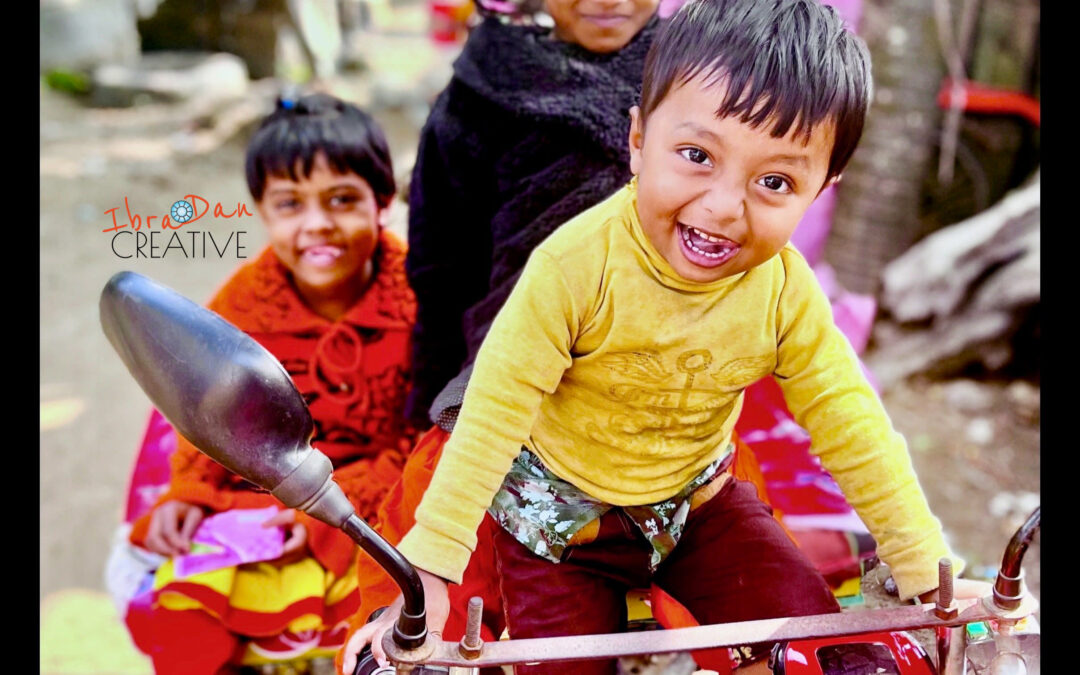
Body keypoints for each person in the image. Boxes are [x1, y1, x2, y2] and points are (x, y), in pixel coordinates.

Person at [345, 1, 967, 673]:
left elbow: (853, 421)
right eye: (697, 155)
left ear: (821, 189)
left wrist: (921, 564)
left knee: (817, 650)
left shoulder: (785, 290)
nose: (724, 206)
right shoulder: (572, 266)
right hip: (556, 525)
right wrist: (433, 566)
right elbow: (494, 408)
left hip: (694, 506)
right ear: (637, 140)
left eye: (776, 180)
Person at [124, 93, 419, 675]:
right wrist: (189, 493)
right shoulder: (244, 302)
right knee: (184, 625)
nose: (317, 224)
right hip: (259, 503)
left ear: (383, 203)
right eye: (289, 204)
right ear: (261, 208)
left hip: (377, 506)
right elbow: (201, 405)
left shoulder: (418, 298)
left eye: (342, 200)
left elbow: (428, 437)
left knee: (388, 635)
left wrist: (352, 493)